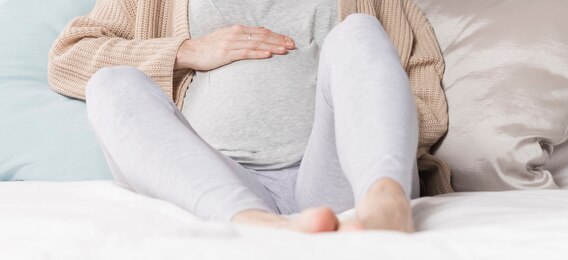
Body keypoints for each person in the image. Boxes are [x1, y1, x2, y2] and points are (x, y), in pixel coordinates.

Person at [48, 0, 452, 233]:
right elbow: (69, 57)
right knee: (111, 85)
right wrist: (187, 50)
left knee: (360, 30)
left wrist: (373, 143)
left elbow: (419, 84)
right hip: (216, 179)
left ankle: (384, 198)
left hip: (337, 175)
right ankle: (257, 225)